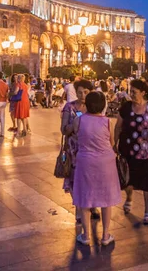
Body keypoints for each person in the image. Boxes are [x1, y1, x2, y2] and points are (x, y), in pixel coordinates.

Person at [114, 79, 148, 225]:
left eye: (134, 92)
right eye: (130, 91)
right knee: (127, 180)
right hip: (128, 150)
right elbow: (118, 127)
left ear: (143, 92)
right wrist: (114, 143)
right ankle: (129, 198)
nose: (131, 94)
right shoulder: (125, 107)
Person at [72, 91, 120, 246]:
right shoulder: (107, 122)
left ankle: (85, 236)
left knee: (85, 198)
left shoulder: (78, 121)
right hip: (105, 163)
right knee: (106, 199)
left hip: (85, 162)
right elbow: (112, 143)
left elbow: (75, 138)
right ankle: (105, 235)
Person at [60, 80, 100, 221]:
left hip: (90, 149)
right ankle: (78, 208)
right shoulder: (69, 107)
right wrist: (75, 123)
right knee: (74, 180)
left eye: (86, 92)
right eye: (79, 92)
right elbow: (63, 129)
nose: (82, 95)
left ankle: (93, 205)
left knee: (91, 179)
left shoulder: (94, 108)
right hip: (73, 150)